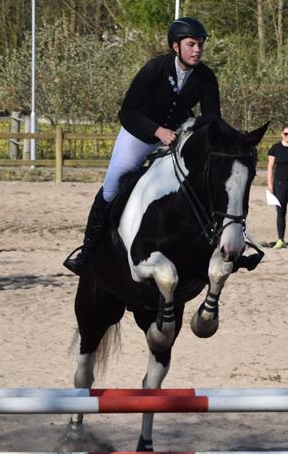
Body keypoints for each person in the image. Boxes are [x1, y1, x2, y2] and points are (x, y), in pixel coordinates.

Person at [63, 17, 221, 274]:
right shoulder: (155, 69)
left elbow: (213, 118)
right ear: (175, 46)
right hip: (140, 135)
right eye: (192, 44)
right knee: (112, 185)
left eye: (201, 44)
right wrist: (157, 130)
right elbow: (127, 112)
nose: (198, 50)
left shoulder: (206, 77)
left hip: (176, 137)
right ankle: (88, 251)